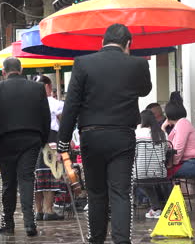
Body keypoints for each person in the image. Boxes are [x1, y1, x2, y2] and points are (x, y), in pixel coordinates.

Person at [57, 24, 152, 244]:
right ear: (128, 44)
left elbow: (71, 104)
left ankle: (96, 239)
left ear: (102, 41)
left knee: (97, 192)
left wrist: (63, 140)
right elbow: (145, 90)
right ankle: (121, 241)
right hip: (122, 135)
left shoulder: (83, 63)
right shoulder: (138, 64)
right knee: (120, 192)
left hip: (92, 135)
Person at [0, 57, 50, 237]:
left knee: (9, 183)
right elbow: (45, 116)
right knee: (27, 179)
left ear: (4, 72)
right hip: (31, 139)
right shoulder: (37, 88)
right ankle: (30, 223)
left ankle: (8, 222)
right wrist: (43, 139)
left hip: (6, 141)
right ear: (21, 70)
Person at [33, 75, 66, 221]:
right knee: (50, 172)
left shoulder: (30, 103)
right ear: (48, 86)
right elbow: (63, 123)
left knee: (38, 175)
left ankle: (38, 210)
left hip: (34, 141)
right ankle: (48, 210)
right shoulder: (56, 103)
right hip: (51, 139)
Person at [162, 92, 195, 179]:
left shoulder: (182, 123)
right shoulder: (179, 125)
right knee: (160, 172)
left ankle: (169, 193)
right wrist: (163, 127)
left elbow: (178, 148)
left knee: (162, 173)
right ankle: (170, 192)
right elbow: (168, 144)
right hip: (190, 162)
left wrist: (171, 164)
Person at [134, 110, 168, 219]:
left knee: (137, 179)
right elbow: (166, 151)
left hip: (140, 173)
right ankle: (156, 209)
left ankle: (123, 209)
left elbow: (132, 153)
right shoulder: (162, 133)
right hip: (160, 172)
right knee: (147, 183)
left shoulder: (137, 133)